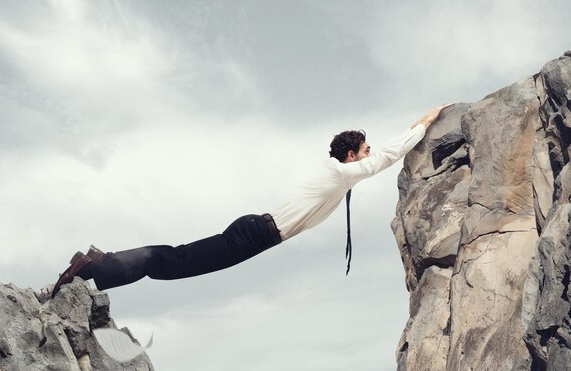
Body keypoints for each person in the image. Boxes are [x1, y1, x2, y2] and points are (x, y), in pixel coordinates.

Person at [51, 104, 451, 298]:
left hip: (257, 233)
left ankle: (97, 263)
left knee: (179, 261)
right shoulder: (339, 172)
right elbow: (386, 158)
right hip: (256, 234)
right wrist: (424, 122)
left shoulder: (338, 176)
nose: (369, 153)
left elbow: (376, 160)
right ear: (350, 155)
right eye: (364, 149)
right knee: (175, 262)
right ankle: (94, 267)